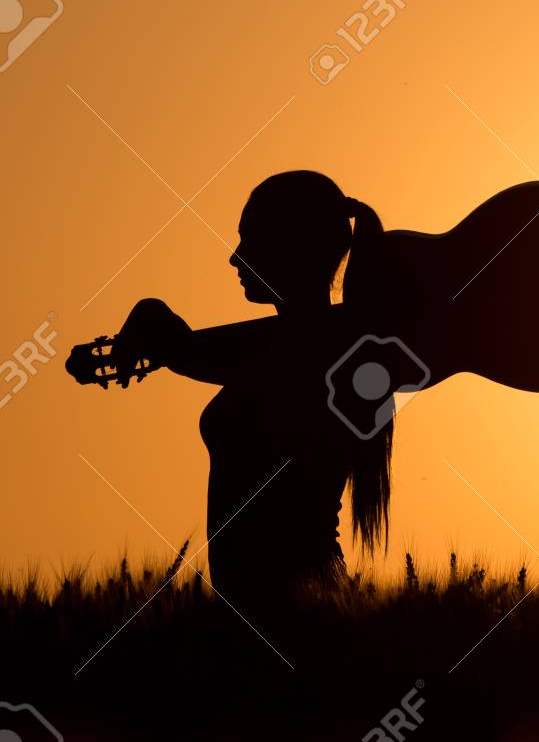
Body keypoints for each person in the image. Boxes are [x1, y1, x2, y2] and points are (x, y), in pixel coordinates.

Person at [111, 170, 392, 607]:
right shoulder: (321, 341)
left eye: (252, 241)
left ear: (293, 248)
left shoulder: (316, 345)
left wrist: (154, 320)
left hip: (294, 607)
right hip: (279, 606)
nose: (236, 259)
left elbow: (196, 352)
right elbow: (199, 351)